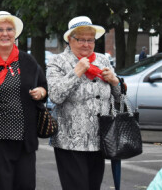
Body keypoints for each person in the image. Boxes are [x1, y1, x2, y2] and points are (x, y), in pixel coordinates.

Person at [0, 11, 47, 189]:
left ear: (15, 33)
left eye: (9, 29)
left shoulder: (28, 61)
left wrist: (42, 92)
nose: (5, 34)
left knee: (26, 185)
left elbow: (44, 86)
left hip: (25, 140)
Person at [46, 16, 121, 190]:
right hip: (70, 141)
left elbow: (118, 97)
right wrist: (77, 71)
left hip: (99, 139)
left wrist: (115, 81)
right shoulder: (58, 62)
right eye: (81, 40)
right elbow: (55, 96)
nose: (86, 44)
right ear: (69, 40)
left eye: (90, 40)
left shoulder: (102, 60)